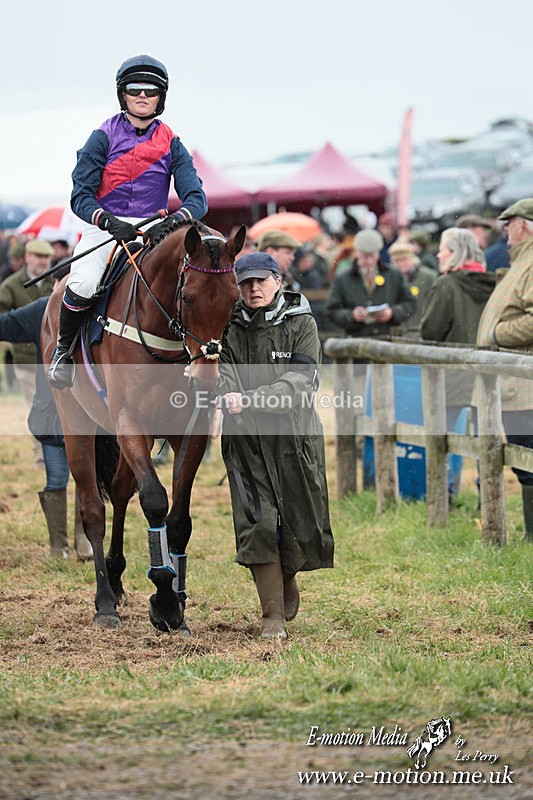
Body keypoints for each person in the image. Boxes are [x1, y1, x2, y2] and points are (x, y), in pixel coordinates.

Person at [48, 54, 208, 390]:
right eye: (135, 89)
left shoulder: (173, 143)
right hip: (105, 226)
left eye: (151, 90)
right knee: (86, 282)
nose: (142, 95)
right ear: (123, 93)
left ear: (160, 97)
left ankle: (207, 356)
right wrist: (107, 220)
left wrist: (174, 221)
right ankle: (63, 351)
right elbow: (80, 196)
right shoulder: (101, 137)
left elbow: (197, 199)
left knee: (198, 283)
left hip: (155, 225)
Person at [217, 252, 334, 639]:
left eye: (260, 281)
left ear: (278, 281)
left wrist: (252, 398)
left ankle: (287, 579)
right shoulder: (228, 326)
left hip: (294, 437)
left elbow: (301, 380)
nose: (253, 289)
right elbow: (224, 375)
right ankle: (272, 617)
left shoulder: (301, 322)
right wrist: (227, 393)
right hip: (246, 441)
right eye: (245, 283)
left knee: (299, 518)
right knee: (258, 522)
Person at [0, 266, 92, 559]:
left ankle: (85, 541)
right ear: (57, 284)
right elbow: (6, 325)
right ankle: (58, 546)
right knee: (56, 479)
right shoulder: (43, 309)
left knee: (87, 479)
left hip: (89, 411)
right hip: (51, 410)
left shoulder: (96, 306)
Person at [420, 228, 496, 500]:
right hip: (487, 374)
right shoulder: (493, 284)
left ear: (456, 254)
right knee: (485, 439)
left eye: (444, 248)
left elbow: (430, 330)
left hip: (450, 374)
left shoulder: (445, 285)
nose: (439, 253)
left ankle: (444, 497)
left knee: (442, 439)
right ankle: (487, 497)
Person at [477, 198, 533, 541]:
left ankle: (532, 536)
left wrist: (497, 334)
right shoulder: (521, 261)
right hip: (515, 384)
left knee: (526, 458)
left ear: (523, 225)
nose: (505, 230)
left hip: (524, 385)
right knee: (522, 458)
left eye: (508, 224)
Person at [0, 239, 55, 463]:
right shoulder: (11, 285)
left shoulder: (56, 281)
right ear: (28, 257)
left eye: (46, 258)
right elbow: (4, 318)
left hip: (51, 357)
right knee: (37, 405)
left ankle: (55, 453)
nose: (43, 262)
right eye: (38, 257)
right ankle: (41, 455)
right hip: (25, 357)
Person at [325, 228, 416, 339]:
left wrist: (392, 313)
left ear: (378, 253)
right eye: (364, 256)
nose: (368, 261)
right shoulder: (343, 278)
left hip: (387, 341)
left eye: (372, 256)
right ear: (356, 253)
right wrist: (351, 315)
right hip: (355, 342)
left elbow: (410, 304)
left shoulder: (394, 275)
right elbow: (331, 311)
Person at [387, 240, 436, 337]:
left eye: (404, 259)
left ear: (412, 259)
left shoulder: (428, 277)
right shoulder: (389, 278)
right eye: (397, 261)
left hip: (419, 330)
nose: (401, 264)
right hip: (396, 332)